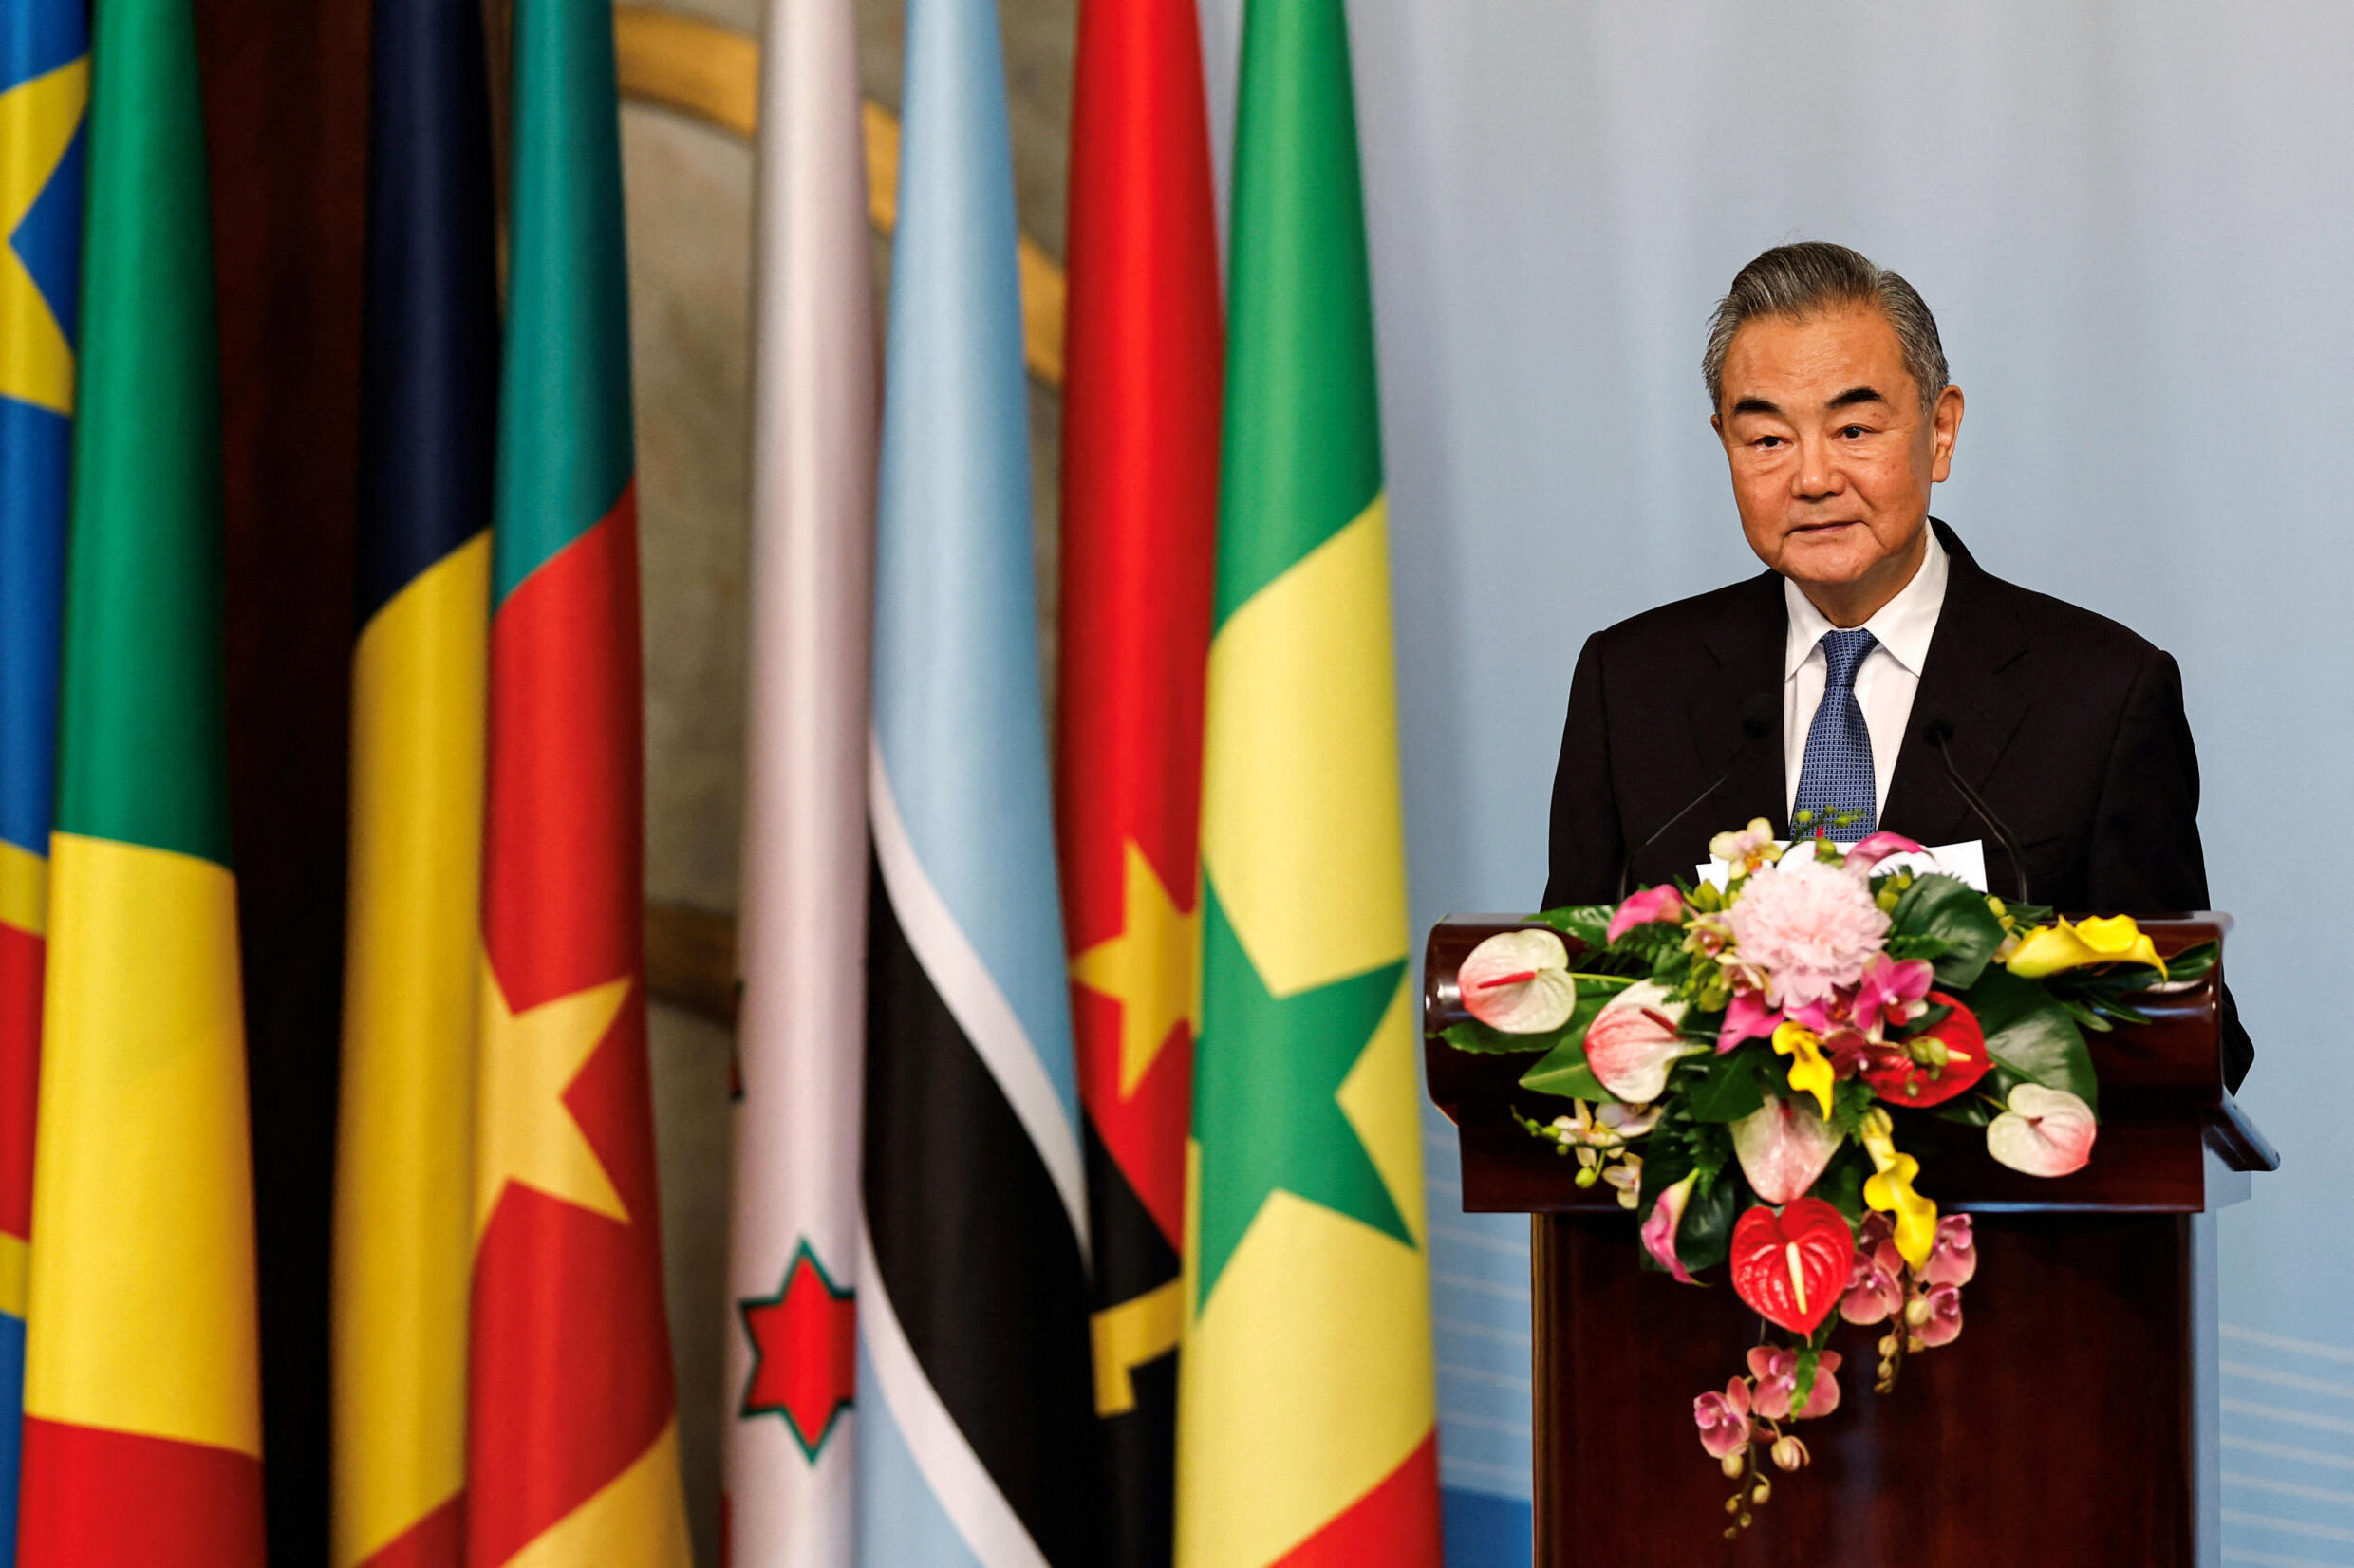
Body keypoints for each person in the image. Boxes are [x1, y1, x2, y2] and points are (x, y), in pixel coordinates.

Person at [1541, 241, 2251, 1089]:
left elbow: (2189, 1031)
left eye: (1853, 429)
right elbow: (1568, 1009)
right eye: (1767, 437)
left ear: (1940, 430)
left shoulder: (2098, 695)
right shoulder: (1633, 686)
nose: (1812, 477)